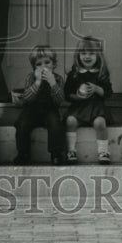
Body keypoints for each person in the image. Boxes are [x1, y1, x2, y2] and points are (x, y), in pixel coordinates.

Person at [63, 35, 114, 164]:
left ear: (98, 56)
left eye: (91, 53)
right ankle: (71, 150)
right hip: (78, 108)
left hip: (96, 108)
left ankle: (103, 151)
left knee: (100, 123)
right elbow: (67, 94)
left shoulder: (100, 73)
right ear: (78, 55)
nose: (87, 56)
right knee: (70, 121)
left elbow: (108, 93)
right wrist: (77, 96)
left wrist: (97, 88)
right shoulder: (74, 74)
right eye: (83, 53)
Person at [14, 44, 66, 165]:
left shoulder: (58, 79)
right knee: (22, 124)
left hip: (50, 109)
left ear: (54, 65)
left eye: (47, 62)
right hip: (31, 109)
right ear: (34, 67)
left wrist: (52, 83)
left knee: (55, 123)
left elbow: (60, 100)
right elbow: (27, 98)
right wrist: (37, 82)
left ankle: (56, 154)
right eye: (39, 64)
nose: (43, 67)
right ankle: (23, 153)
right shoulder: (30, 78)